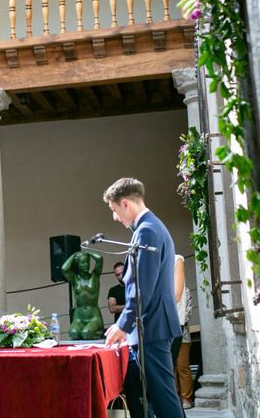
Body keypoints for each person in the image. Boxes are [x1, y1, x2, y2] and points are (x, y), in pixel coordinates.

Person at [102, 177, 183, 418]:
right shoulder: (149, 227)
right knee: (156, 400)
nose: (115, 217)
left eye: (114, 210)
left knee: (164, 400)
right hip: (152, 327)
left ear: (125, 204)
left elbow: (141, 288)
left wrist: (122, 325)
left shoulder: (147, 231)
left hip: (153, 328)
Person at [61, 251, 104, 340]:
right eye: (83, 262)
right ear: (78, 265)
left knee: (86, 333)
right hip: (79, 317)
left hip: (93, 316)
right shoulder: (75, 279)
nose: (86, 265)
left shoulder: (95, 276)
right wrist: (74, 254)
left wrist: (87, 252)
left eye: (88, 262)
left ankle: (99, 332)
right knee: (73, 334)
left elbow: (99, 259)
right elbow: (64, 269)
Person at [171, 254, 193, 410]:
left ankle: (187, 398)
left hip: (182, 333)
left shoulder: (186, 291)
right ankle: (175, 397)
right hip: (169, 332)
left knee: (183, 367)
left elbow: (188, 311)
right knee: (171, 368)